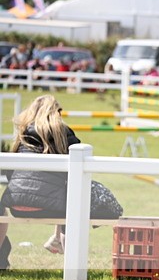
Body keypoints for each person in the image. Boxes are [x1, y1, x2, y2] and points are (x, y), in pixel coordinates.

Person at [0, 95, 123, 260]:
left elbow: (11, 173)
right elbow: (78, 172)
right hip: (48, 207)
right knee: (73, 198)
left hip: (15, 205)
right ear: (56, 112)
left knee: (61, 191)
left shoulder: (22, 136)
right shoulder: (62, 133)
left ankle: (55, 239)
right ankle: (69, 260)